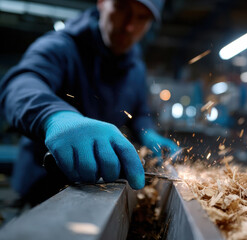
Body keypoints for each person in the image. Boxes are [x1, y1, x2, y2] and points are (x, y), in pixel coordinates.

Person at [0, 0, 179, 205]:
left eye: (142, 17)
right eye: (121, 8)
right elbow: (20, 84)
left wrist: (149, 134)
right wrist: (54, 116)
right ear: (102, 3)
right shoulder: (60, 46)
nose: (130, 26)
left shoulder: (136, 68)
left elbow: (139, 112)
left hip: (100, 185)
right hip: (43, 186)